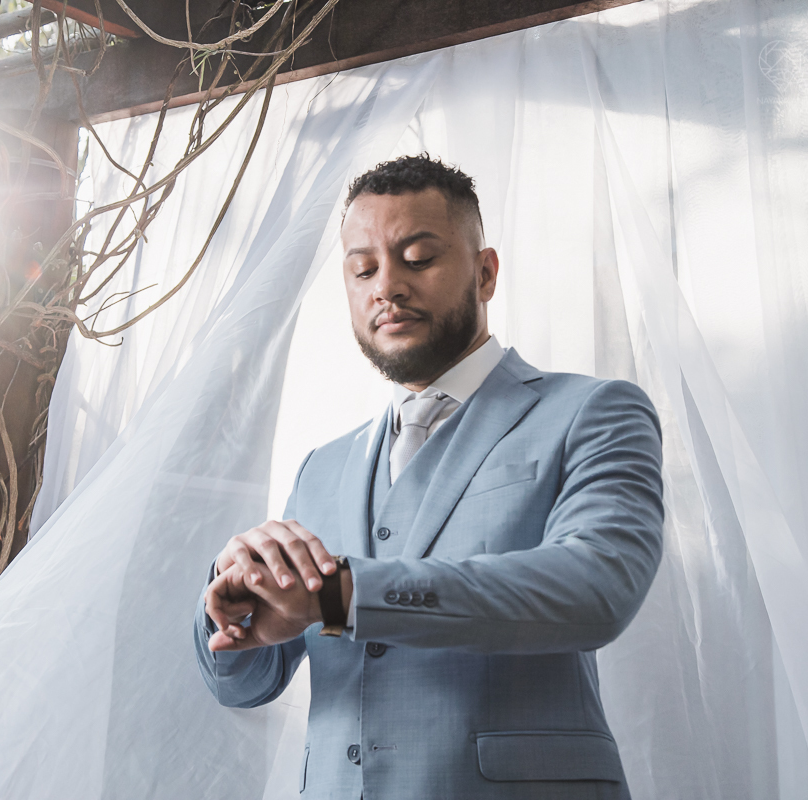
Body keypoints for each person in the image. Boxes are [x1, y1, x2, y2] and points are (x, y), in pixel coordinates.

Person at [193, 154, 664, 799]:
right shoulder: (321, 466)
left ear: (486, 272)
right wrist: (234, 601)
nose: (386, 285)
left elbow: (595, 588)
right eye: (363, 268)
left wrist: (343, 596)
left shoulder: (593, 410)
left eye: (416, 258)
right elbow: (245, 682)